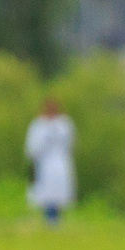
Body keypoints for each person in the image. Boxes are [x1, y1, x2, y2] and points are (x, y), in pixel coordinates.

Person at [25, 97, 77, 226]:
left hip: (60, 162)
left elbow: (70, 143)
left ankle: (56, 219)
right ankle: (49, 218)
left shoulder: (64, 124)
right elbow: (32, 147)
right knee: (46, 192)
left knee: (60, 192)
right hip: (44, 163)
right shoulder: (38, 125)